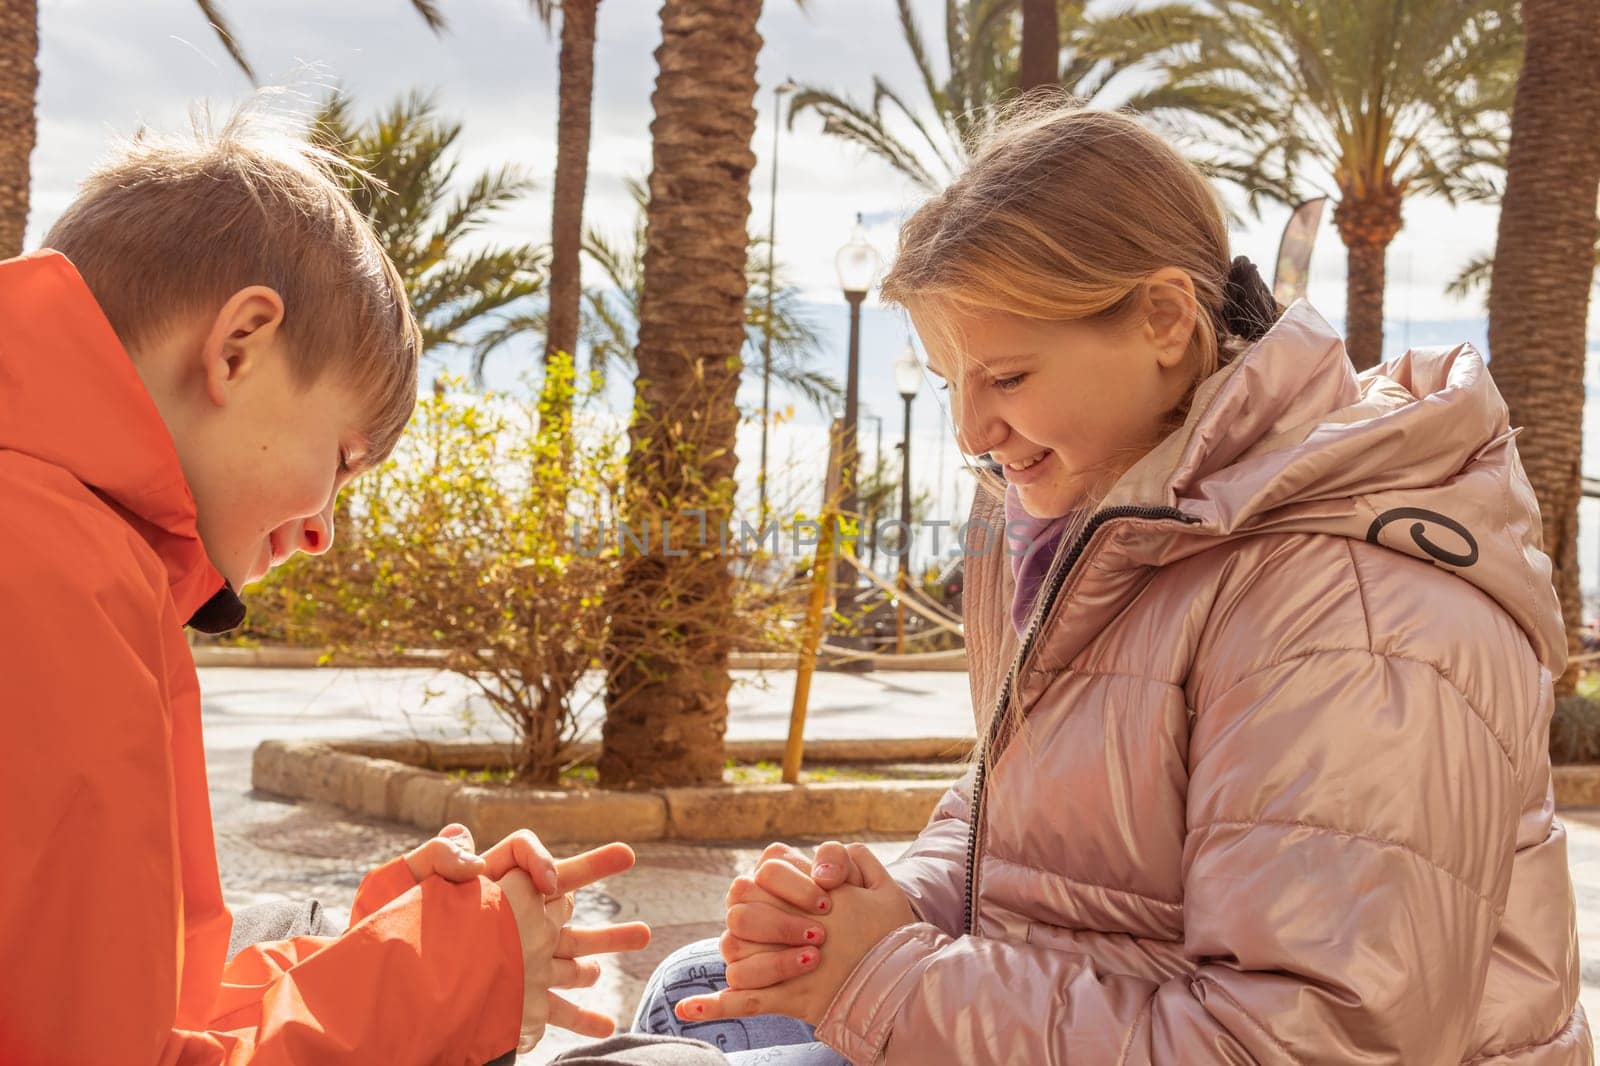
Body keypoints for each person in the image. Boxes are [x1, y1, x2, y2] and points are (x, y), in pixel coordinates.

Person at [635, 104, 1591, 1063]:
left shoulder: (1351, 612)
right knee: (697, 991)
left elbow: (1312, 1044)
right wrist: (878, 908)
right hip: (1100, 1011)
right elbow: (1015, 839)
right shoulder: (1117, 534)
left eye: (1005, 377)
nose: (970, 431)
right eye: (948, 380)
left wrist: (884, 974)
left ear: (1166, 320)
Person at [0, 108, 674, 1064]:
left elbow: (119, 1022)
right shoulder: (53, 579)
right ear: (239, 347)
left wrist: (388, 948)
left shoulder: (67, 543)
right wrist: (449, 975)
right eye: (345, 458)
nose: (322, 531)